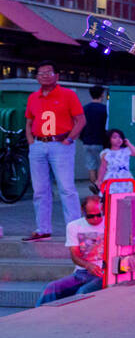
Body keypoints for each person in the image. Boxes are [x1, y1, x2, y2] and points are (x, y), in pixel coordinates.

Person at [24, 61, 85, 241]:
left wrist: (69, 139)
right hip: (37, 144)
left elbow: (80, 120)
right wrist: (30, 142)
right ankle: (43, 228)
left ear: (57, 76)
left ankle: (74, 230)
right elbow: (29, 121)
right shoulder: (33, 98)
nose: (44, 75)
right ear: (36, 77)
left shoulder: (68, 95)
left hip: (60, 144)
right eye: (40, 73)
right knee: (40, 190)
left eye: (48, 72)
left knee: (66, 188)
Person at [37, 195, 104, 305]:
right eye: (91, 216)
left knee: (82, 293)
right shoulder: (74, 226)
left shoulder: (109, 223)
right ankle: (38, 317)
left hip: (102, 273)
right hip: (81, 272)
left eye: (98, 215)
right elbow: (74, 255)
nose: (96, 219)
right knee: (50, 289)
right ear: (83, 212)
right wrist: (88, 265)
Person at [82, 85, 108, 195]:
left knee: (91, 166)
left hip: (87, 142)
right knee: (103, 166)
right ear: (102, 94)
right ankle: (101, 187)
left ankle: (94, 187)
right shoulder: (104, 109)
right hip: (101, 141)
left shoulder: (85, 108)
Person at [98, 128, 135, 196]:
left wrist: (129, 143)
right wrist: (99, 180)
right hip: (112, 178)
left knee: (127, 196)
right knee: (111, 196)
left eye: (120, 137)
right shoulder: (106, 153)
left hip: (126, 177)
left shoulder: (126, 150)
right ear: (109, 140)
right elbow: (103, 167)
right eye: (114, 137)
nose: (118, 139)